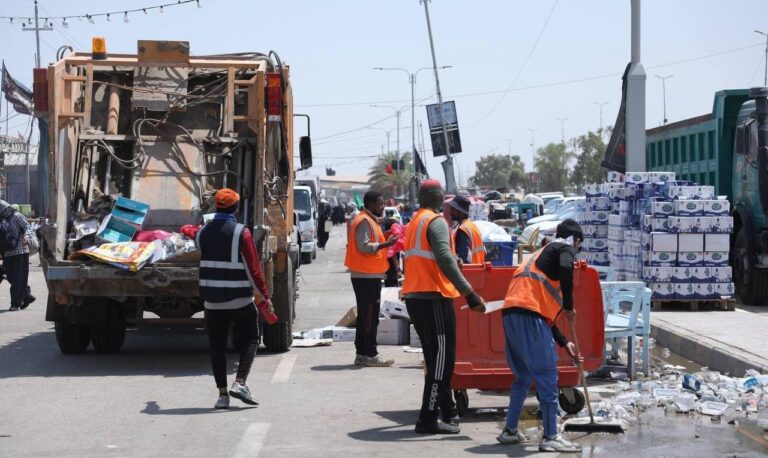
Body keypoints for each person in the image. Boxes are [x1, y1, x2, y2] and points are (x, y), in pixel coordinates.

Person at [403, 179, 486, 435]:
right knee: (443, 362)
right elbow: (444, 258)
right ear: (438, 198)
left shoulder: (416, 221)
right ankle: (427, 419)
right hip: (434, 296)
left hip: (417, 296)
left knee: (436, 360)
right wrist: (469, 293)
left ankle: (448, 412)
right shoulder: (435, 222)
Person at [496, 218, 584, 453]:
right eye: (578, 247)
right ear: (575, 240)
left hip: (512, 315)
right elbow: (566, 267)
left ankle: (510, 431)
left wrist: (565, 342)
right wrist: (569, 304)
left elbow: (542, 315)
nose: (576, 252)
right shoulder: (564, 248)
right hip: (528, 316)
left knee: (523, 377)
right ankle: (550, 436)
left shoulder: (537, 255)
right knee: (547, 376)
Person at [196, 188, 274, 410]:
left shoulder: (202, 232)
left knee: (217, 347)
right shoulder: (242, 232)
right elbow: (254, 269)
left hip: (212, 300)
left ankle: (222, 396)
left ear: (216, 206)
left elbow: (199, 246)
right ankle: (240, 382)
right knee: (251, 338)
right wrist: (265, 297)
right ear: (236, 208)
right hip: (239, 298)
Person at [344, 191, 398, 367]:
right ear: (370, 204)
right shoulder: (364, 221)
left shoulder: (367, 220)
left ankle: (361, 353)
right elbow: (364, 246)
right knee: (369, 317)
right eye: (380, 204)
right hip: (366, 276)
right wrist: (386, 244)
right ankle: (370, 354)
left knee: (365, 316)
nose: (383, 207)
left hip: (367, 275)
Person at [1, 201, 35, 311]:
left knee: (17, 278)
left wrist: (27, 237)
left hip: (20, 252)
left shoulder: (17, 216)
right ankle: (26, 295)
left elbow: (28, 228)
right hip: (7, 253)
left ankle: (15, 304)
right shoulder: (2, 220)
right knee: (11, 277)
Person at [447, 194, 486, 265]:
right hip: (478, 270)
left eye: (453, 210)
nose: (450, 212)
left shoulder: (463, 230)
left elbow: (463, 258)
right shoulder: (472, 226)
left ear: (461, 212)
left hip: (469, 272)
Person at [383, 215, 405, 287]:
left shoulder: (385, 235)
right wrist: (398, 269)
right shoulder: (393, 237)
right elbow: (393, 255)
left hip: (386, 268)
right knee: (392, 288)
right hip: (392, 269)